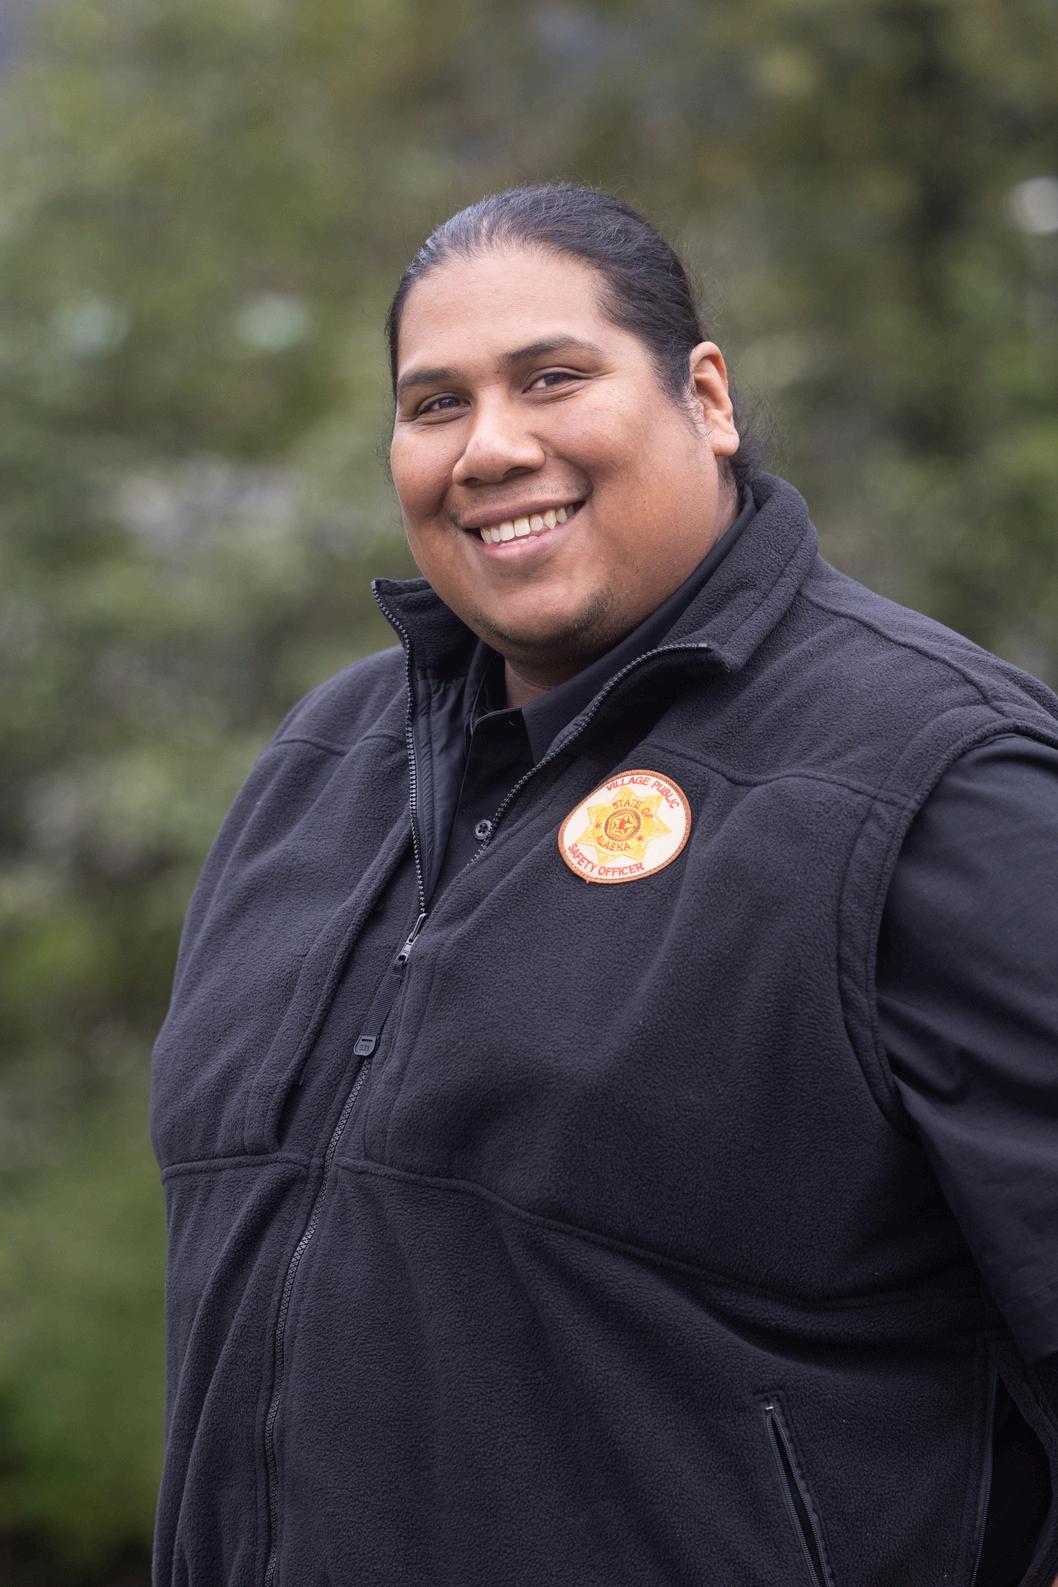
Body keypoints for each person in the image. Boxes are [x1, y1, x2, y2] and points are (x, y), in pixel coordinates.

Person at [149, 184, 1058, 1587]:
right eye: (435, 404)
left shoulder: (937, 777)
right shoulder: (321, 767)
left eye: (553, 378)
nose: (490, 447)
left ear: (706, 397)